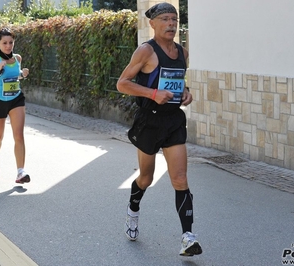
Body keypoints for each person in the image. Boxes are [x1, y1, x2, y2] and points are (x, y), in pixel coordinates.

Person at [117, 2, 202, 256]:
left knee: (180, 178)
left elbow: (178, 84)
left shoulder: (183, 53)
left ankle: (188, 237)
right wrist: (153, 94)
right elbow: (123, 83)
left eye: (174, 20)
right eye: (165, 19)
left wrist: (185, 94)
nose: (171, 24)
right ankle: (133, 211)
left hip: (173, 120)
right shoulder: (145, 51)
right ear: (152, 24)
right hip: (149, 121)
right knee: (147, 178)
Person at [0, 28, 31, 184]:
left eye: (11, 42)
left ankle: (20, 172)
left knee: (19, 135)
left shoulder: (17, 58)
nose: (8, 46)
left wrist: (22, 75)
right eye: (4, 43)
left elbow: (13, 78)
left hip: (16, 100)